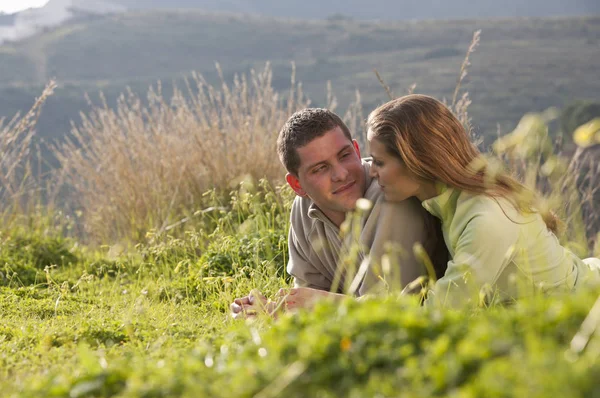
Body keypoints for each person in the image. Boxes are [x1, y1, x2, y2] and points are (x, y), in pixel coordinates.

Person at [366, 94, 600, 307]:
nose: (371, 172)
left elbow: (438, 312)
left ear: (416, 161)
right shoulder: (451, 199)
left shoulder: (486, 219)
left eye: (379, 162)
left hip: (584, 311)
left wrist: (347, 304)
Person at [230, 108, 447, 318]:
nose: (341, 174)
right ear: (297, 184)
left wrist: (320, 304)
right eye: (320, 168)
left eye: (344, 156)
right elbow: (310, 300)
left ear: (357, 150)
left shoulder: (393, 196)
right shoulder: (302, 208)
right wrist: (270, 311)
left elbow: (391, 311)